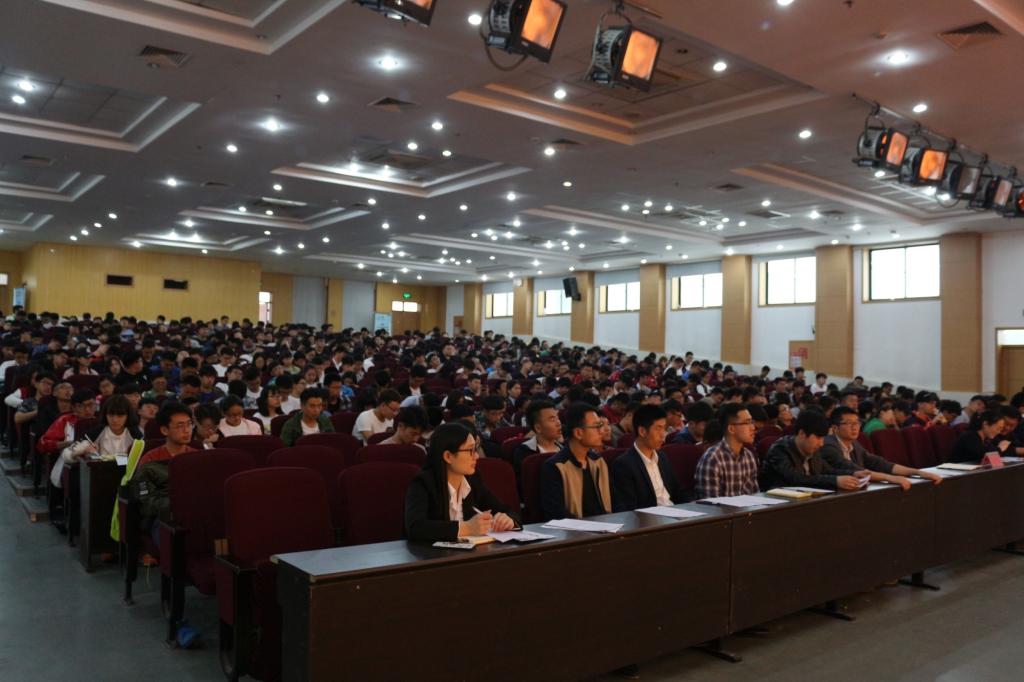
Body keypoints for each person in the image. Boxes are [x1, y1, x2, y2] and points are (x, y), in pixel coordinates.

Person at [404, 422, 519, 543]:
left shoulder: (472, 480)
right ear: (448, 456)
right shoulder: (423, 483)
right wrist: (467, 528)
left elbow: (508, 511)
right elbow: (415, 528)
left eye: (476, 449)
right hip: (431, 553)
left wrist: (508, 520)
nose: (476, 456)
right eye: (470, 450)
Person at [819, 407, 942, 490]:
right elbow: (856, 470)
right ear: (835, 428)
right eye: (849, 423)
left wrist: (918, 472)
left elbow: (879, 463)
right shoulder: (828, 446)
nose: (855, 427)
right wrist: (891, 478)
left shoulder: (854, 443)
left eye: (857, 423)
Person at [131, 402, 198, 546]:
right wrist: (174, 505)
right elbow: (145, 500)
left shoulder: (197, 457)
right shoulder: (150, 460)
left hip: (194, 514)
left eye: (189, 424)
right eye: (180, 426)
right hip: (161, 517)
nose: (187, 430)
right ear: (164, 430)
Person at [759, 410, 870, 491]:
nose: (821, 443)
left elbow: (828, 471)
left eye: (823, 438)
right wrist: (835, 481)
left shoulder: (813, 449)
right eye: (818, 438)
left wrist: (853, 474)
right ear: (802, 433)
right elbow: (795, 479)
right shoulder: (780, 450)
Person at [540, 402, 612, 520]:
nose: (601, 431)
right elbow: (556, 512)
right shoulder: (555, 467)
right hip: (576, 528)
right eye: (596, 427)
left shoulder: (598, 461)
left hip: (608, 525)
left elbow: (616, 501)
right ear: (578, 433)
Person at [610, 404, 689, 512]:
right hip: (650, 518)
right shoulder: (623, 465)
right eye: (658, 428)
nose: (663, 435)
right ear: (642, 431)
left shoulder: (662, 457)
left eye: (664, 428)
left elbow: (679, 491)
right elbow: (630, 508)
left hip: (674, 513)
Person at [54, 394, 143, 487]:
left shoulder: (136, 435)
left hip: (127, 478)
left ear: (128, 416)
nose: (115, 420)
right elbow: (66, 455)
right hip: (99, 478)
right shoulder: (97, 432)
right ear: (105, 415)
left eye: (120, 415)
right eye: (111, 415)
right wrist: (81, 452)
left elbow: (138, 461)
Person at [693, 403, 760, 499]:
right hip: (721, 509)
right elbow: (710, 503)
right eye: (747, 423)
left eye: (752, 422)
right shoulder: (712, 458)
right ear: (731, 429)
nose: (753, 427)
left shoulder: (749, 456)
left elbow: (755, 497)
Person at [36, 388, 97, 459]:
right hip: (67, 461)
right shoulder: (65, 420)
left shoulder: (100, 420)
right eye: (81, 406)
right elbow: (43, 444)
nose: (87, 409)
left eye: (91, 405)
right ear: (73, 408)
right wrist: (68, 443)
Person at [511, 399, 563, 478]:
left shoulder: (563, 449)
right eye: (552, 419)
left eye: (557, 418)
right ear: (538, 428)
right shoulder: (525, 453)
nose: (558, 423)